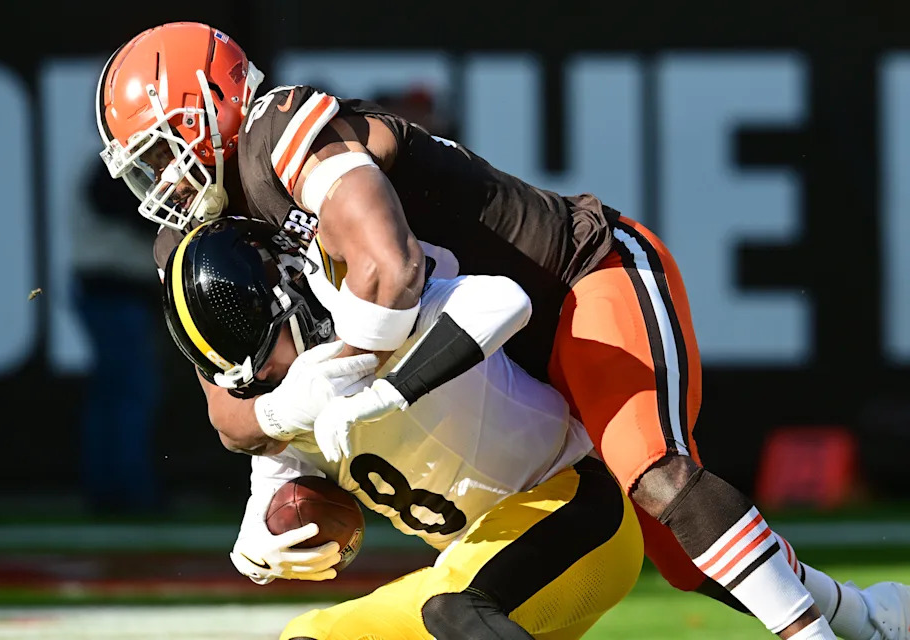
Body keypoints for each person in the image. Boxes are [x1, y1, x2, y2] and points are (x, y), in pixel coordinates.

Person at [95, 22, 910, 640]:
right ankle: (868, 618)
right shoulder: (191, 242)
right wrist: (280, 450)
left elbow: (392, 270)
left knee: (654, 478)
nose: (159, 176)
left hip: (577, 279)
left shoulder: (288, 131)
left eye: (163, 147)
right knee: (676, 559)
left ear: (216, 108)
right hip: (494, 345)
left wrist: (355, 386)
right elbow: (228, 409)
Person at [160, 216, 643, 639]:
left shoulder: (382, 321)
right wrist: (261, 543)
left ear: (288, 295)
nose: (259, 376)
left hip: (577, 512)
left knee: (456, 609)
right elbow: (276, 488)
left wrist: (390, 391)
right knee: (310, 635)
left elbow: (504, 301)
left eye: (257, 350)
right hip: (475, 561)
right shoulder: (288, 405)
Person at [73, 159, 164, 514]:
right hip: (114, 289)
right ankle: (129, 492)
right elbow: (136, 215)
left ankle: (109, 489)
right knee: (130, 393)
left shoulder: (105, 167)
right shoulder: (107, 168)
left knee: (114, 395)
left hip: (110, 290)